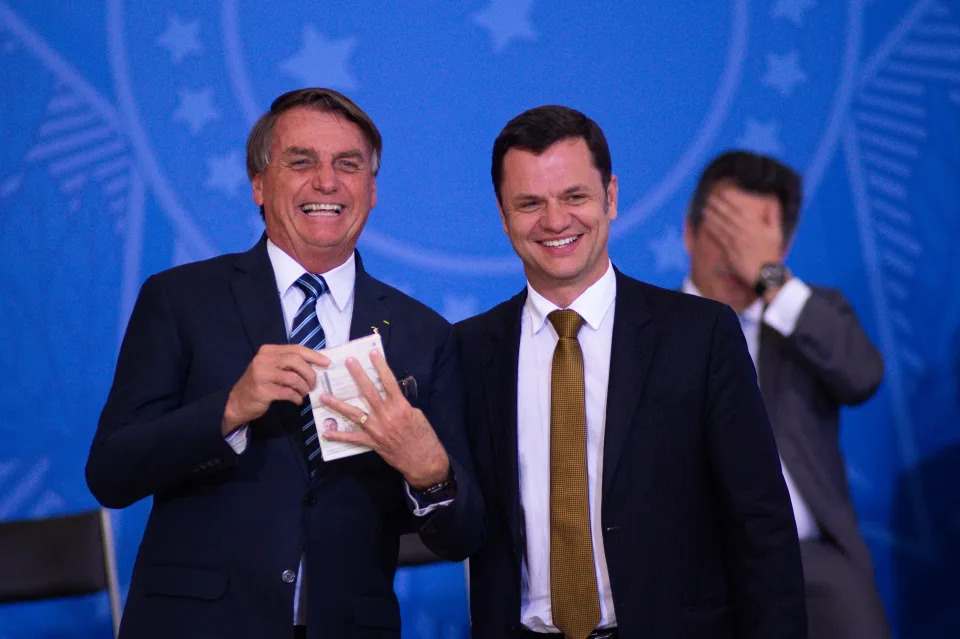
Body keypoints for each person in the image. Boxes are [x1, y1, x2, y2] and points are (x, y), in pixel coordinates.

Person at [86, 88, 484, 639]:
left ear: (371, 191)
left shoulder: (424, 335)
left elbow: (461, 538)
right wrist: (229, 410)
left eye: (348, 165)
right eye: (302, 162)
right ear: (258, 184)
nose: (327, 182)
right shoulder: (181, 300)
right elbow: (111, 473)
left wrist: (431, 473)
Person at [457, 106, 806, 639]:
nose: (555, 221)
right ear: (503, 216)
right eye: (530, 203)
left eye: (575, 196)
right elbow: (460, 523)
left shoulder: (700, 335)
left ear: (611, 197)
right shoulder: (469, 348)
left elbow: (761, 525)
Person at [682, 150, 891, 639]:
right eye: (724, 232)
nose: (735, 256)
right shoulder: (645, 331)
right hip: (689, 563)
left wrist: (771, 277)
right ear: (690, 233)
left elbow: (862, 375)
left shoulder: (806, 320)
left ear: (783, 244)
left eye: (752, 239)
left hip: (808, 562)